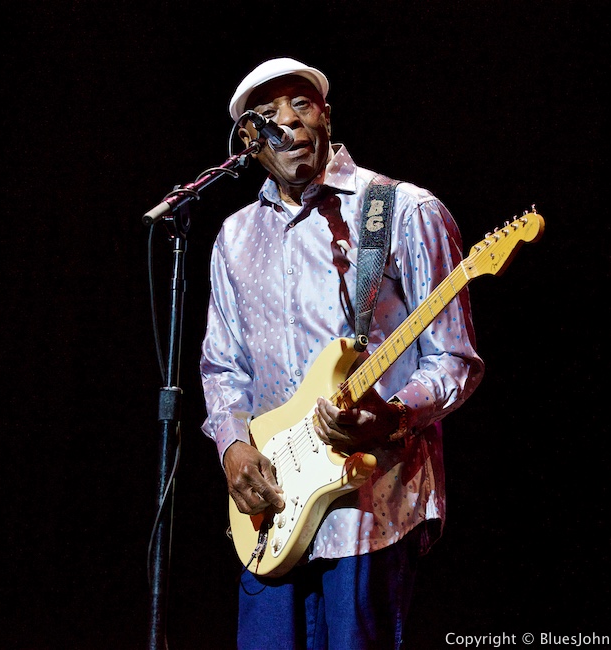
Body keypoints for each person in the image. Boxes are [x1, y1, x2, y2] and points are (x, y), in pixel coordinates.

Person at [200, 57, 485, 649]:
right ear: (249, 140)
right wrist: (231, 445)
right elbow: (223, 366)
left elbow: (454, 359)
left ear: (326, 114)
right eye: (268, 116)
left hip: (372, 512)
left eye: (301, 105)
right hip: (272, 516)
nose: (289, 122)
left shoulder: (402, 211)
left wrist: (395, 413)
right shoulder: (233, 237)